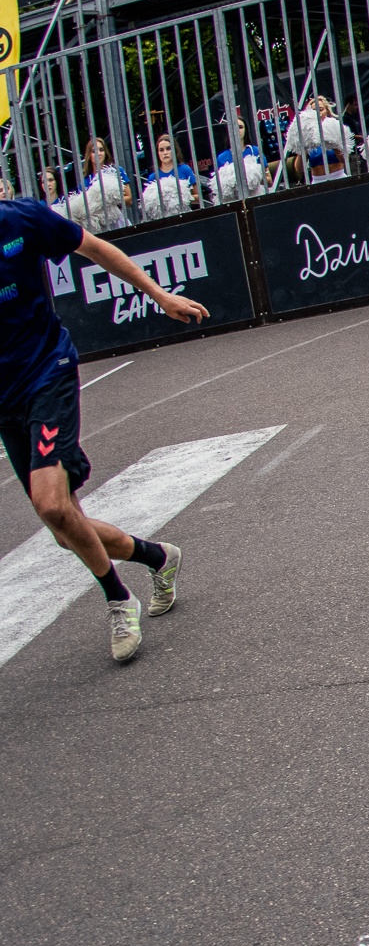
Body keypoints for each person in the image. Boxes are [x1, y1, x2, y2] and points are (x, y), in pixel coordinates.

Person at [2, 196, 206, 661]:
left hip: (46, 374)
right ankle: (158, 557)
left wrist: (159, 295)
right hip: (4, 399)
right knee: (64, 528)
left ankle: (118, 599)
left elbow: (94, 248)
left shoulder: (22, 219)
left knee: (51, 505)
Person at [284, 97, 356, 184]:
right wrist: (304, 147)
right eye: (314, 111)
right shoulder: (307, 134)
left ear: (327, 111)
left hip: (339, 178)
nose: (318, 113)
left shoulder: (336, 128)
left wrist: (334, 145)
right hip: (317, 182)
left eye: (321, 109)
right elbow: (299, 169)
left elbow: (346, 160)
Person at [139, 135, 199, 220]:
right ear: (157, 153)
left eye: (168, 148)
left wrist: (182, 198)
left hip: (185, 217)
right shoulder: (153, 177)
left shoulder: (185, 170)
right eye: (161, 150)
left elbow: (198, 197)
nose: (165, 153)